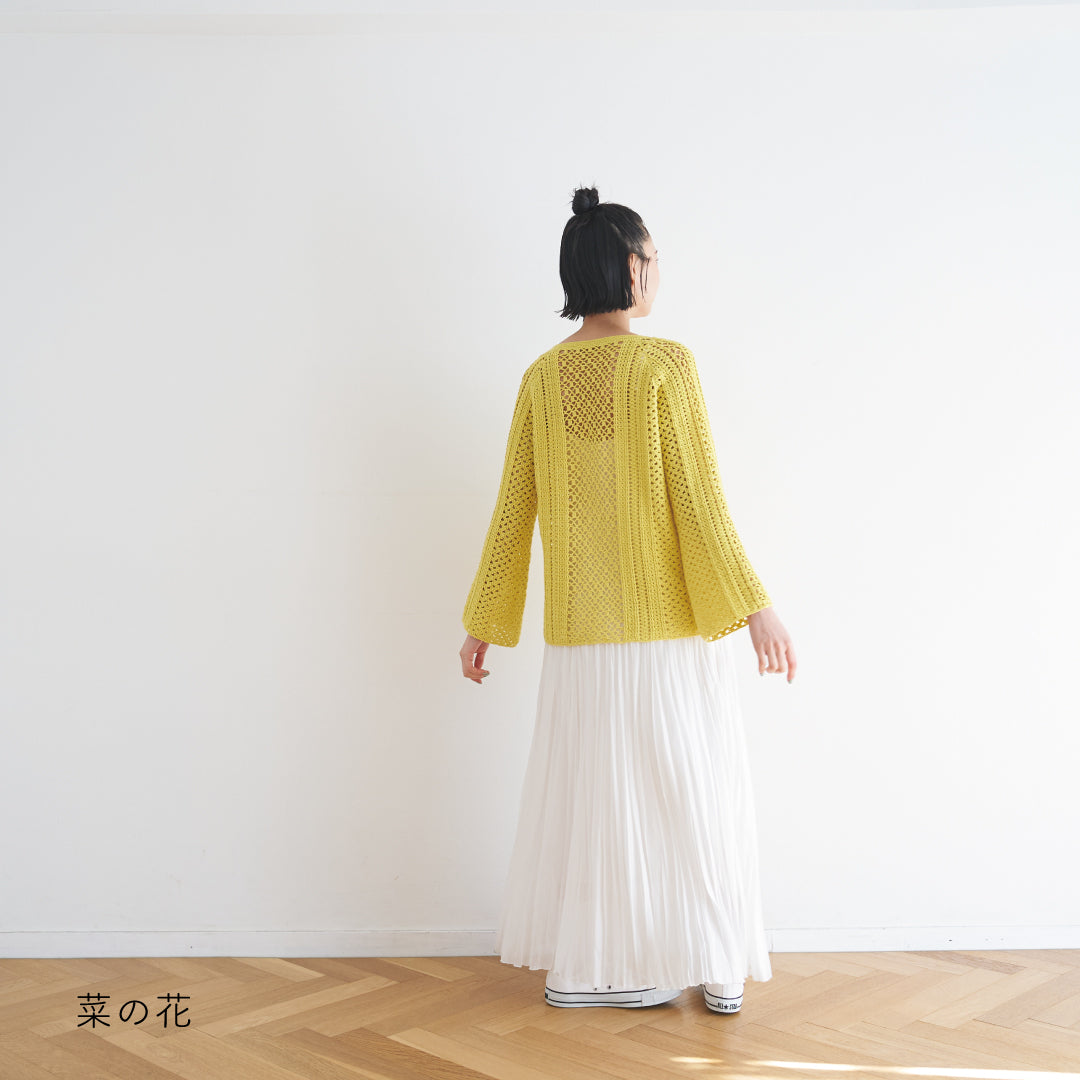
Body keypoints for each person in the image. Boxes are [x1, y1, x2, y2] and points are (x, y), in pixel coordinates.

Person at [458, 185, 796, 1014]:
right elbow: (699, 501)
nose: (657, 274)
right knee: (692, 792)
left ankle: (586, 969)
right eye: (653, 259)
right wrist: (756, 605)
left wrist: (483, 624)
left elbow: (512, 510)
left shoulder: (540, 378)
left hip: (581, 641)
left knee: (599, 807)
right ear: (631, 268)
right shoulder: (663, 365)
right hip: (665, 634)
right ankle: (714, 963)